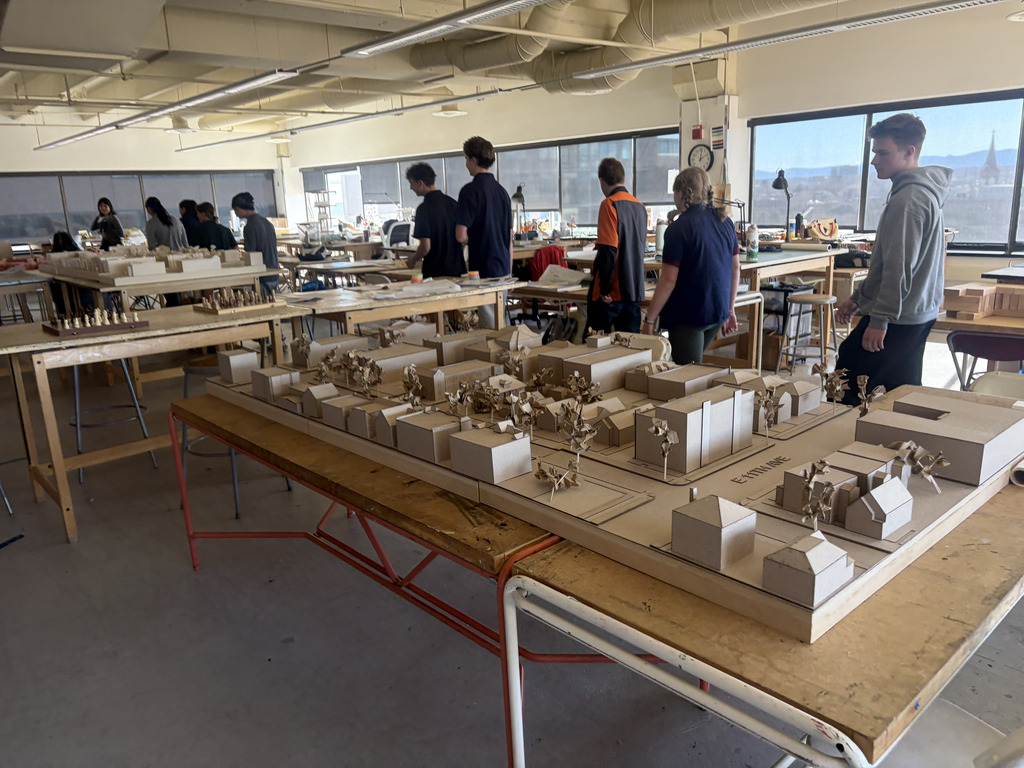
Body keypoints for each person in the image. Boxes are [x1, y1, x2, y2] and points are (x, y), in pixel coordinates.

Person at [834, 113, 952, 404]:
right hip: (917, 311)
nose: (874, 160)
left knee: (848, 380)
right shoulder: (918, 193)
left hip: (900, 315)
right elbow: (886, 260)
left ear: (909, 151)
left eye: (883, 152)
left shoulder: (908, 200)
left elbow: (900, 268)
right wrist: (859, 298)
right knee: (901, 389)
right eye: (874, 153)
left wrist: (880, 319)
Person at [642, 167, 740, 365]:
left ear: (680, 193)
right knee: (693, 368)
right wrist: (730, 310)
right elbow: (735, 268)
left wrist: (649, 320)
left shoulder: (679, 228)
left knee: (686, 376)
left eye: (674, 194)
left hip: (690, 315)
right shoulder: (725, 221)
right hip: (718, 311)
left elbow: (668, 281)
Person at [455, 136, 512, 328]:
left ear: (473, 159)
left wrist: (480, 238)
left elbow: (461, 235)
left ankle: (499, 357)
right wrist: (509, 271)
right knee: (499, 320)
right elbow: (508, 238)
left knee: (489, 325)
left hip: (483, 268)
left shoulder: (469, 191)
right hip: (503, 267)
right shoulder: (502, 192)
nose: (465, 165)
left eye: (466, 159)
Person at [588, 157, 647, 334]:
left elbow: (608, 250)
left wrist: (605, 290)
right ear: (624, 179)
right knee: (630, 349)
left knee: (597, 347)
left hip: (612, 293)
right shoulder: (640, 206)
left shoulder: (609, 205)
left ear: (601, 181)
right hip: (634, 291)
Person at [405, 162, 465, 278]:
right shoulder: (453, 204)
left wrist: (413, 259)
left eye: (412, 184)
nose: (411, 188)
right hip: (457, 268)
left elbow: (425, 247)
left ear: (421, 183)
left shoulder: (423, 209)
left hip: (435, 270)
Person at [231, 191, 279, 294]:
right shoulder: (266, 222)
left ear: (240, 207)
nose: (235, 212)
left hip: (261, 275)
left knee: (262, 305)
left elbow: (251, 254)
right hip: (274, 271)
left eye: (235, 209)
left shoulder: (250, 226)